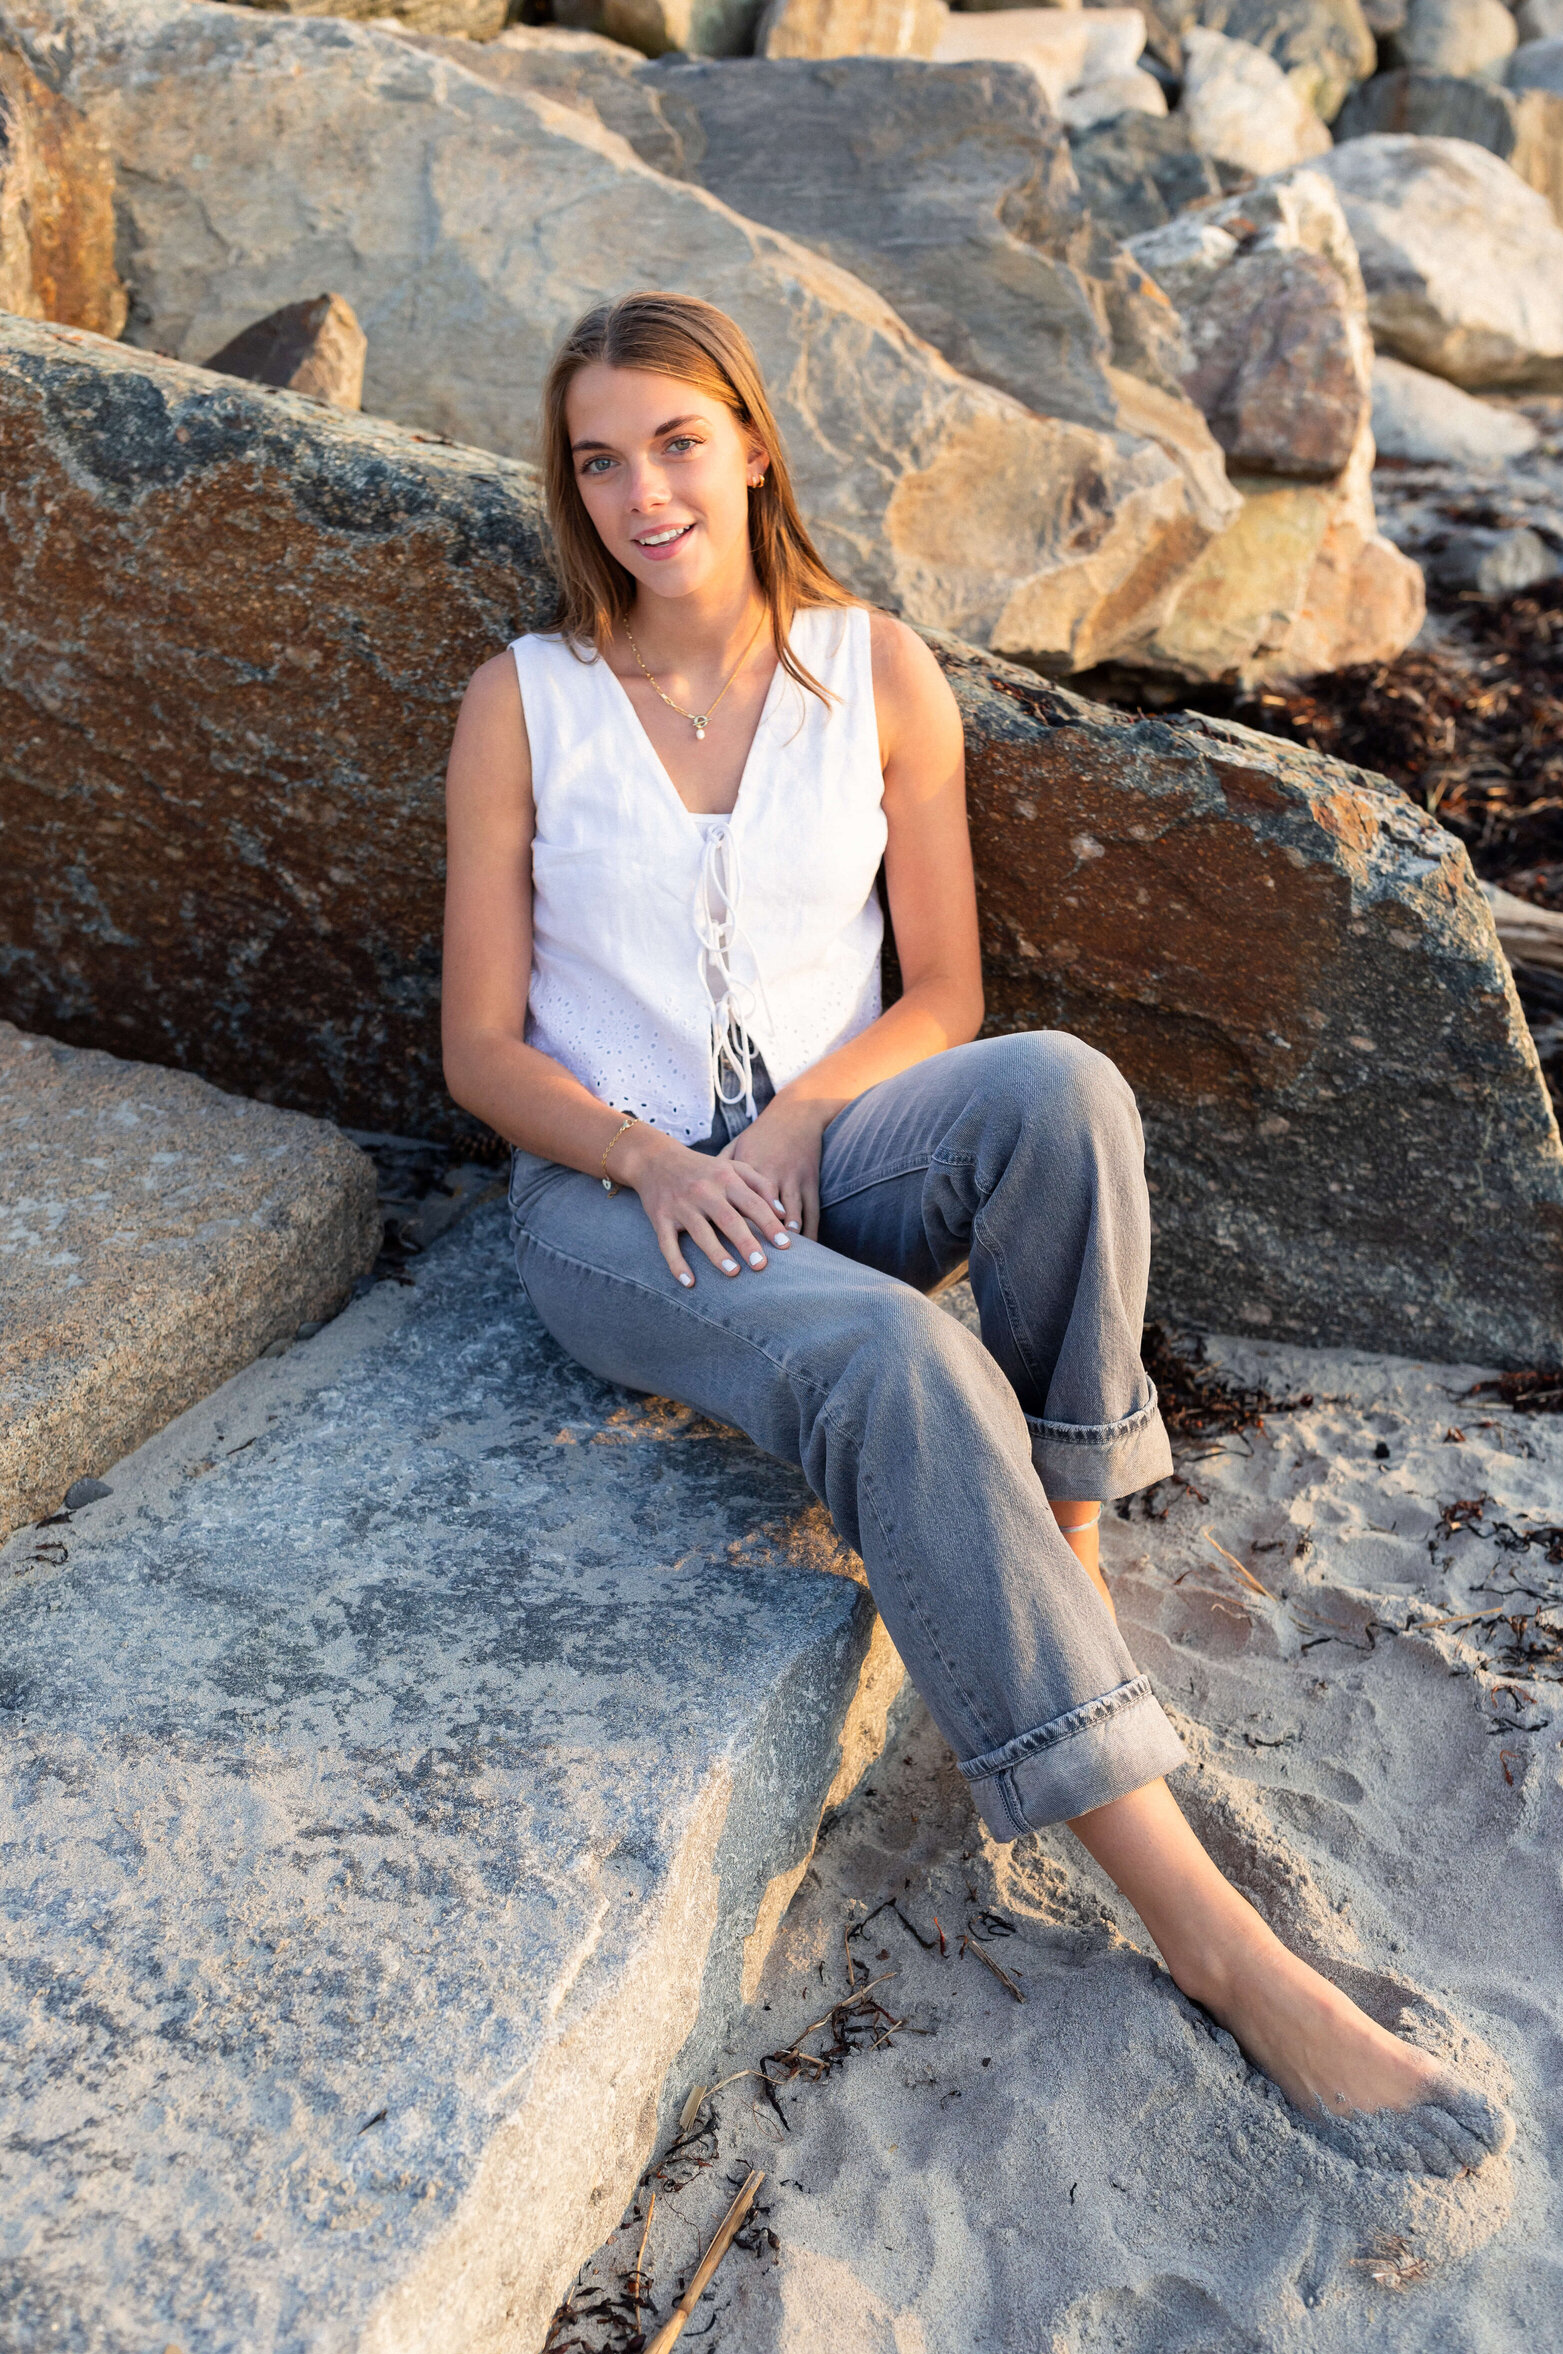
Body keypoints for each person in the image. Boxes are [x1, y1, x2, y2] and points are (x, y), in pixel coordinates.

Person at [442, 290, 1507, 2178]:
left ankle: (1067, 1542)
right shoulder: (521, 699)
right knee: (891, 1351)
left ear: (753, 444)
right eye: (599, 458)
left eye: (676, 443)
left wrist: (781, 1131)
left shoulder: (875, 672)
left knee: (1062, 1090)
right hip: (609, 1205)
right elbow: (478, 1049)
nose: (640, 492)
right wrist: (662, 1161)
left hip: (825, 1151)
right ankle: (1215, 1937)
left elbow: (946, 993)